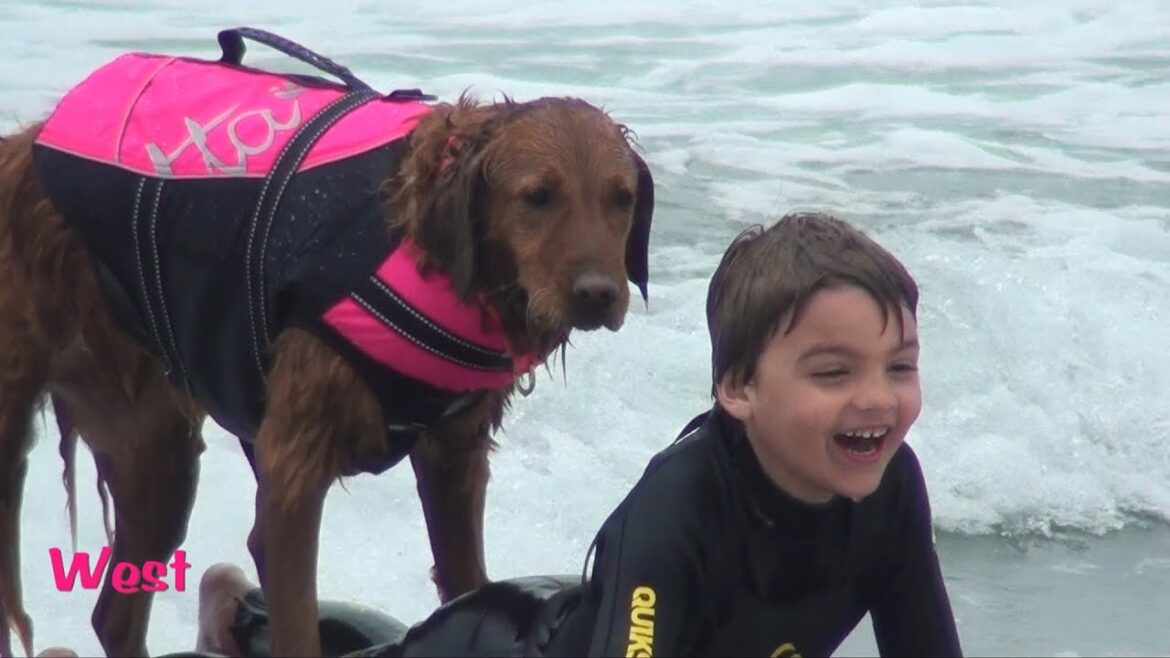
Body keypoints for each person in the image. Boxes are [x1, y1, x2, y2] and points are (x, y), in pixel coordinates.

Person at [165, 210, 964, 657]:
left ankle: (241, 613)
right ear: (737, 389)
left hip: (570, 615)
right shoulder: (678, 510)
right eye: (834, 372)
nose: (877, 400)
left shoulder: (891, 490)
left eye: (899, 367)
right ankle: (240, 624)